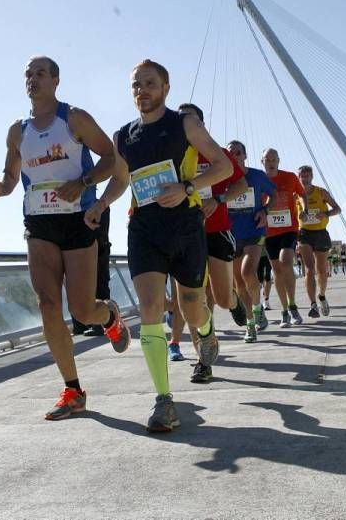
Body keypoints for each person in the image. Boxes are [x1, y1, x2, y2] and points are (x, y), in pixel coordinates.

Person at [85, 59, 232, 432]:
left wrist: (185, 188)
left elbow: (223, 167)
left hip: (185, 226)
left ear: (166, 88)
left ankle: (205, 330)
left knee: (191, 304)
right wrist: (102, 204)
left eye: (150, 84)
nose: (142, 91)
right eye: (136, 85)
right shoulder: (123, 136)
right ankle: (164, 401)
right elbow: (121, 179)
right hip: (145, 228)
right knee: (151, 307)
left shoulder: (185, 124)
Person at [0, 55, 130, 421]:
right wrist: (1, 189)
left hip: (77, 220)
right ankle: (73, 389)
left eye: (40, 73)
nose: (33, 79)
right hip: (39, 223)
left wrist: (81, 183)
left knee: (82, 311)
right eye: (28, 74)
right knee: (48, 304)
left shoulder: (74, 118)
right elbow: (12, 177)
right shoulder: (18, 131)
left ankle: (109, 315)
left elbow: (111, 158)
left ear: (56, 80)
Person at [176, 104, 248, 382]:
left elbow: (240, 186)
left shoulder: (218, 152)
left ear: (201, 124)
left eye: (189, 119)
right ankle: (203, 361)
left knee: (219, 296)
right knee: (197, 297)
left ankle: (234, 300)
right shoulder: (175, 153)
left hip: (217, 230)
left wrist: (217, 200)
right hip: (186, 232)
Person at [227, 140, 276, 343]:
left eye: (239, 153)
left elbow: (273, 195)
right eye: (231, 154)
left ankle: (257, 309)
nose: (235, 156)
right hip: (231, 235)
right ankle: (250, 324)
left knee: (248, 272)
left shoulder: (256, 176)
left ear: (245, 156)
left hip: (254, 231)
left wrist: (265, 210)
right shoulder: (222, 177)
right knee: (239, 283)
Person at [261, 148, 306, 328]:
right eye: (267, 159)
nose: (271, 162)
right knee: (276, 272)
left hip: (289, 228)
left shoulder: (289, 177)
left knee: (285, 262)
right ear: (262, 161)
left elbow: (302, 194)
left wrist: (304, 208)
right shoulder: (259, 179)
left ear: (279, 161)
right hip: (269, 232)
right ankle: (284, 311)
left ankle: (293, 306)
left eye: (274, 159)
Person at [296, 165, 342, 318]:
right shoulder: (295, 195)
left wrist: (326, 213)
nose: (305, 178)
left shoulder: (321, 192)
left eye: (307, 175)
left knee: (321, 271)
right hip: (304, 234)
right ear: (298, 177)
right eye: (302, 176)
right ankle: (313, 305)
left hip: (320, 233)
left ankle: (321, 296)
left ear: (312, 177)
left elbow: (338, 209)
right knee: (309, 269)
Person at [72, 207, 111, 336]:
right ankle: (82, 325)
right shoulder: (99, 205)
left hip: (94, 234)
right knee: (90, 279)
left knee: (97, 278)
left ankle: (101, 323)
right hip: (92, 231)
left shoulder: (97, 206)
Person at [257, 245, 273, 310]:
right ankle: (257, 303)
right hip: (257, 254)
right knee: (259, 280)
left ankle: (266, 301)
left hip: (268, 253)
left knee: (267, 276)